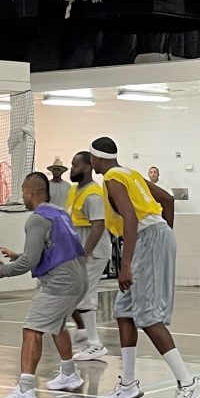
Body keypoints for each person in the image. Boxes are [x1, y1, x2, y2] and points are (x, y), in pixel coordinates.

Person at [89, 137, 200, 398]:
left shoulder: (112, 180)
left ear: (97, 159)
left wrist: (126, 263)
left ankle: (188, 383)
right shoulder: (130, 173)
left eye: (90, 158)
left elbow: (129, 217)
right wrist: (165, 232)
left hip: (146, 238)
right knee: (124, 312)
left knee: (148, 316)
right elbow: (166, 199)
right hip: (154, 235)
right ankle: (127, 383)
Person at [0, 172, 88, 398]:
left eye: (22, 191)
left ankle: (26, 391)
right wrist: (18, 256)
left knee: (32, 329)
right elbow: (52, 251)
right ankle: (69, 373)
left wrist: (4, 270)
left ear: (32, 192)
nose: (22, 196)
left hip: (60, 282)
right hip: (79, 278)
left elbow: (30, 261)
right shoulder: (59, 213)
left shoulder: (36, 219)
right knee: (57, 324)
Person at [65, 152, 111, 361]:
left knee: (86, 294)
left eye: (75, 165)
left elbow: (99, 225)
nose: (71, 168)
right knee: (76, 291)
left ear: (87, 167)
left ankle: (94, 343)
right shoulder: (75, 190)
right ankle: (85, 333)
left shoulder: (93, 194)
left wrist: (85, 253)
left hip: (94, 252)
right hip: (80, 250)